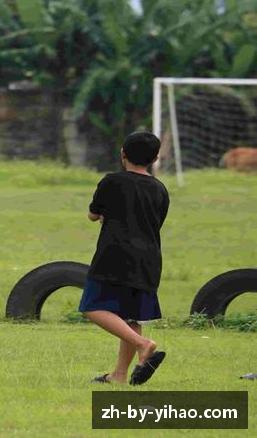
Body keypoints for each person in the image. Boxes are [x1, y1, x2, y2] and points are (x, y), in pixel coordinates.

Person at [80, 131, 169, 385]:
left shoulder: (112, 181)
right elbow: (155, 222)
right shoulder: (160, 189)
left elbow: (92, 214)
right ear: (154, 159)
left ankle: (143, 344)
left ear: (123, 154)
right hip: (149, 259)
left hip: (114, 255)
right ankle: (118, 375)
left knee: (92, 306)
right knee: (131, 317)